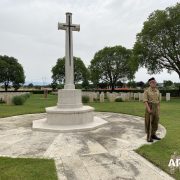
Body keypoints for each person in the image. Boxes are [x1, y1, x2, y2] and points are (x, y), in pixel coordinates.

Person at [143, 77, 161, 142]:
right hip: (150, 106)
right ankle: (149, 137)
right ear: (149, 83)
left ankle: (153, 134)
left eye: (155, 82)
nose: (154, 83)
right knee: (149, 122)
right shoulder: (146, 91)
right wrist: (148, 109)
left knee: (156, 122)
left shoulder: (157, 91)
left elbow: (158, 101)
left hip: (156, 107)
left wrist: (158, 110)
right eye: (153, 82)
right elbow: (145, 101)